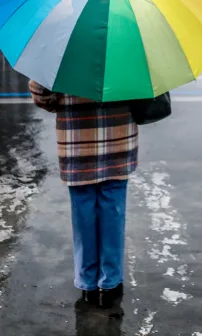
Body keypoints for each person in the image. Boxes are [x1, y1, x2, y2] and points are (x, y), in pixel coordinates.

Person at [28, 80, 137, 309]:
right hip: (118, 139)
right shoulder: (125, 48)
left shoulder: (63, 49)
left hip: (77, 141)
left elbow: (41, 95)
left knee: (83, 214)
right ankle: (110, 282)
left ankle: (87, 283)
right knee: (113, 213)